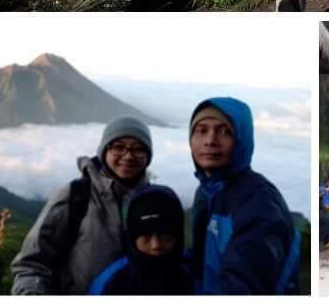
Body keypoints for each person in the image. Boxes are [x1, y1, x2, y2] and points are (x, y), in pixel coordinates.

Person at [11, 117, 153, 294]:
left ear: (147, 156)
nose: (128, 155)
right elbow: (31, 264)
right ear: (104, 152)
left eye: (138, 148)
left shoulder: (155, 202)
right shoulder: (76, 196)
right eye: (118, 147)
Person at [189, 97, 300, 294]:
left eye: (224, 132)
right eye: (202, 130)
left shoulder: (258, 203)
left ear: (242, 139)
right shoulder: (207, 192)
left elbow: (242, 284)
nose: (210, 141)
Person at [88, 184, 195, 295]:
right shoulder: (112, 282)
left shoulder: (196, 274)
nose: (155, 245)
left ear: (178, 235)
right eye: (146, 237)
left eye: (165, 236)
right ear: (132, 238)